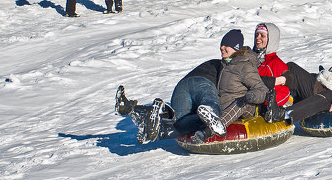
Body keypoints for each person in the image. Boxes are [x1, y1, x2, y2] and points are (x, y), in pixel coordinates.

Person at [115, 29, 269, 144]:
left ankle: (213, 124)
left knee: (239, 102)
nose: (222, 49)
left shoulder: (245, 65)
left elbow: (262, 89)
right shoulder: (225, 65)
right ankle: (155, 129)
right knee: (187, 119)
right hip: (223, 108)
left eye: (226, 46)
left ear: (235, 47)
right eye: (221, 46)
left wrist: (253, 95)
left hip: (246, 106)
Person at [253, 22, 290, 121]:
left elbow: (284, 91)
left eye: (262, 35)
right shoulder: (250, 58)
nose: (258, 38)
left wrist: (268, 103)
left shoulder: (276, 64)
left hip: (262, 103)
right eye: (256, 35)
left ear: (271, 39)